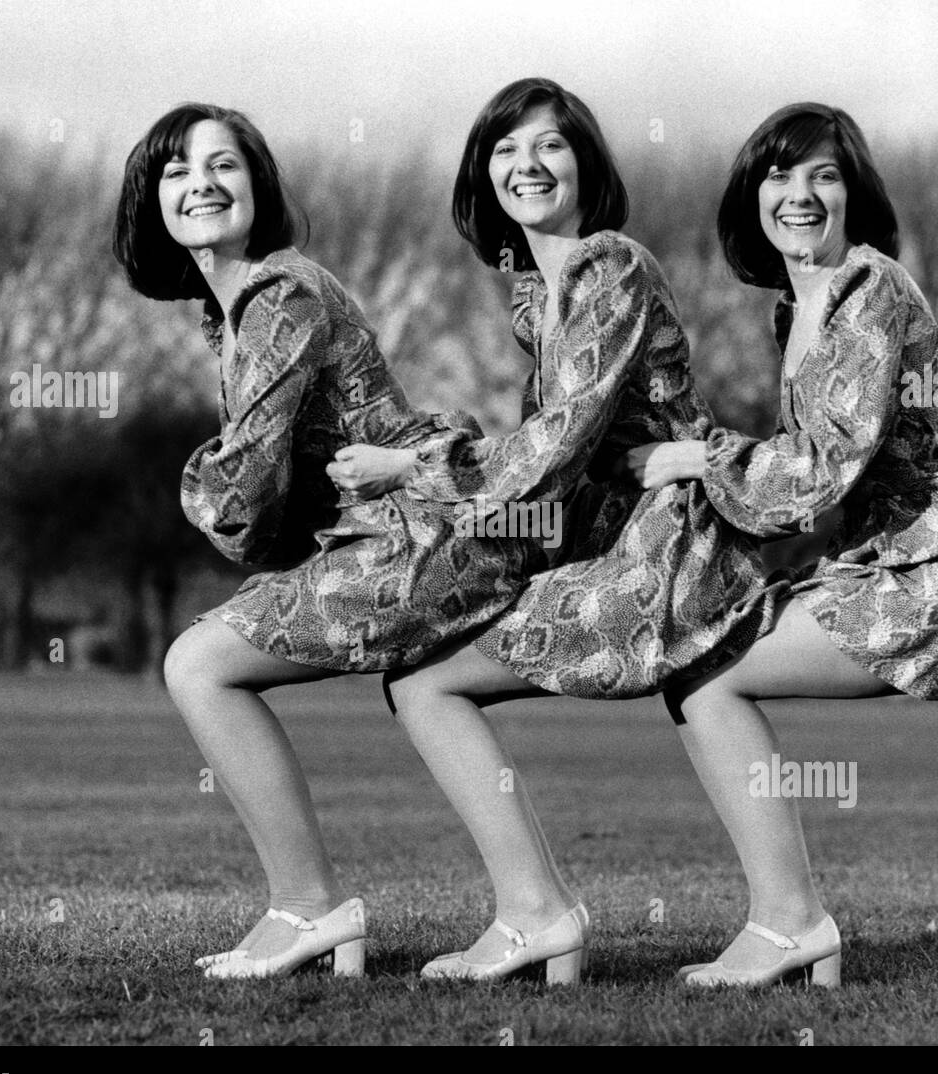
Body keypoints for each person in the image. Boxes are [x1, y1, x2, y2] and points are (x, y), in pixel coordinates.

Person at [332, 78, 780, 984]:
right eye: (505, 150)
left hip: (668, 549)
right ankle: (790, 922)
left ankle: (538, 915)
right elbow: (549, 454)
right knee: (703, 696)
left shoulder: (605, 264)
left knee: (426, 681)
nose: (526, 165)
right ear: (481, 174)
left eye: (549, 146)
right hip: (630, 541)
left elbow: (554, 447)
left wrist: (412, 470)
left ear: (586, 164)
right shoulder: (542, 293)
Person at [615, 102, 938, 987]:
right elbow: (815, 483)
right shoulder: (798, 307)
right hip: (890, 554)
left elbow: (817, 471)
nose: (801, 193)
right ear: (754, 195)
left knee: (710, 671)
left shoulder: (869, 290)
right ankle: (789, 922)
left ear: (855, 195)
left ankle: (789, 924)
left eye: (824, 174)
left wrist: (687, 458)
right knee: (698, 671)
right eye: (780, 174)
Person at [112, 103, 541, 979]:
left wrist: (204, 490)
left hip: (414, 536)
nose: (201, 184)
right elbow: (268, 498)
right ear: (150, 201)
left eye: (223, 165)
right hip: (416, 534)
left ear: (258, 185)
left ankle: (308, 907)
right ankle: (539, 913)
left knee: (199, 665)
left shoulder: (279, 294)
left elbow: (242, 493)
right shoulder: (232, 310)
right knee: (429, 687)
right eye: (177, 171)